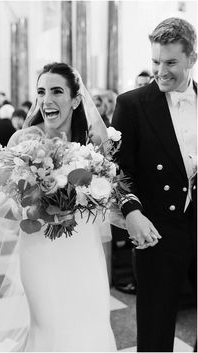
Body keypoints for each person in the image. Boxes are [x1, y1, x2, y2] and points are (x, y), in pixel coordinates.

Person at [0, 63, 117, 352]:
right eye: (41, 92)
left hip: (85, 254)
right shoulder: (23, 141)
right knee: (52, 331)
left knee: (92, 326)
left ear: (75, 99)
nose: (46, 100)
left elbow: (107, 196)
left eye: (56, 91)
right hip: (41, 256)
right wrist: (33, 210)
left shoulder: (94, 144)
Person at [112, 17, 197, 352]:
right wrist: (131, 211)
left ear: (192, 59)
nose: (161, 71)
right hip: (156, 231)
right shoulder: (132, 105)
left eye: (171, 62)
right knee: (155, 328)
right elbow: (117, 170)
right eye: (156, 62)